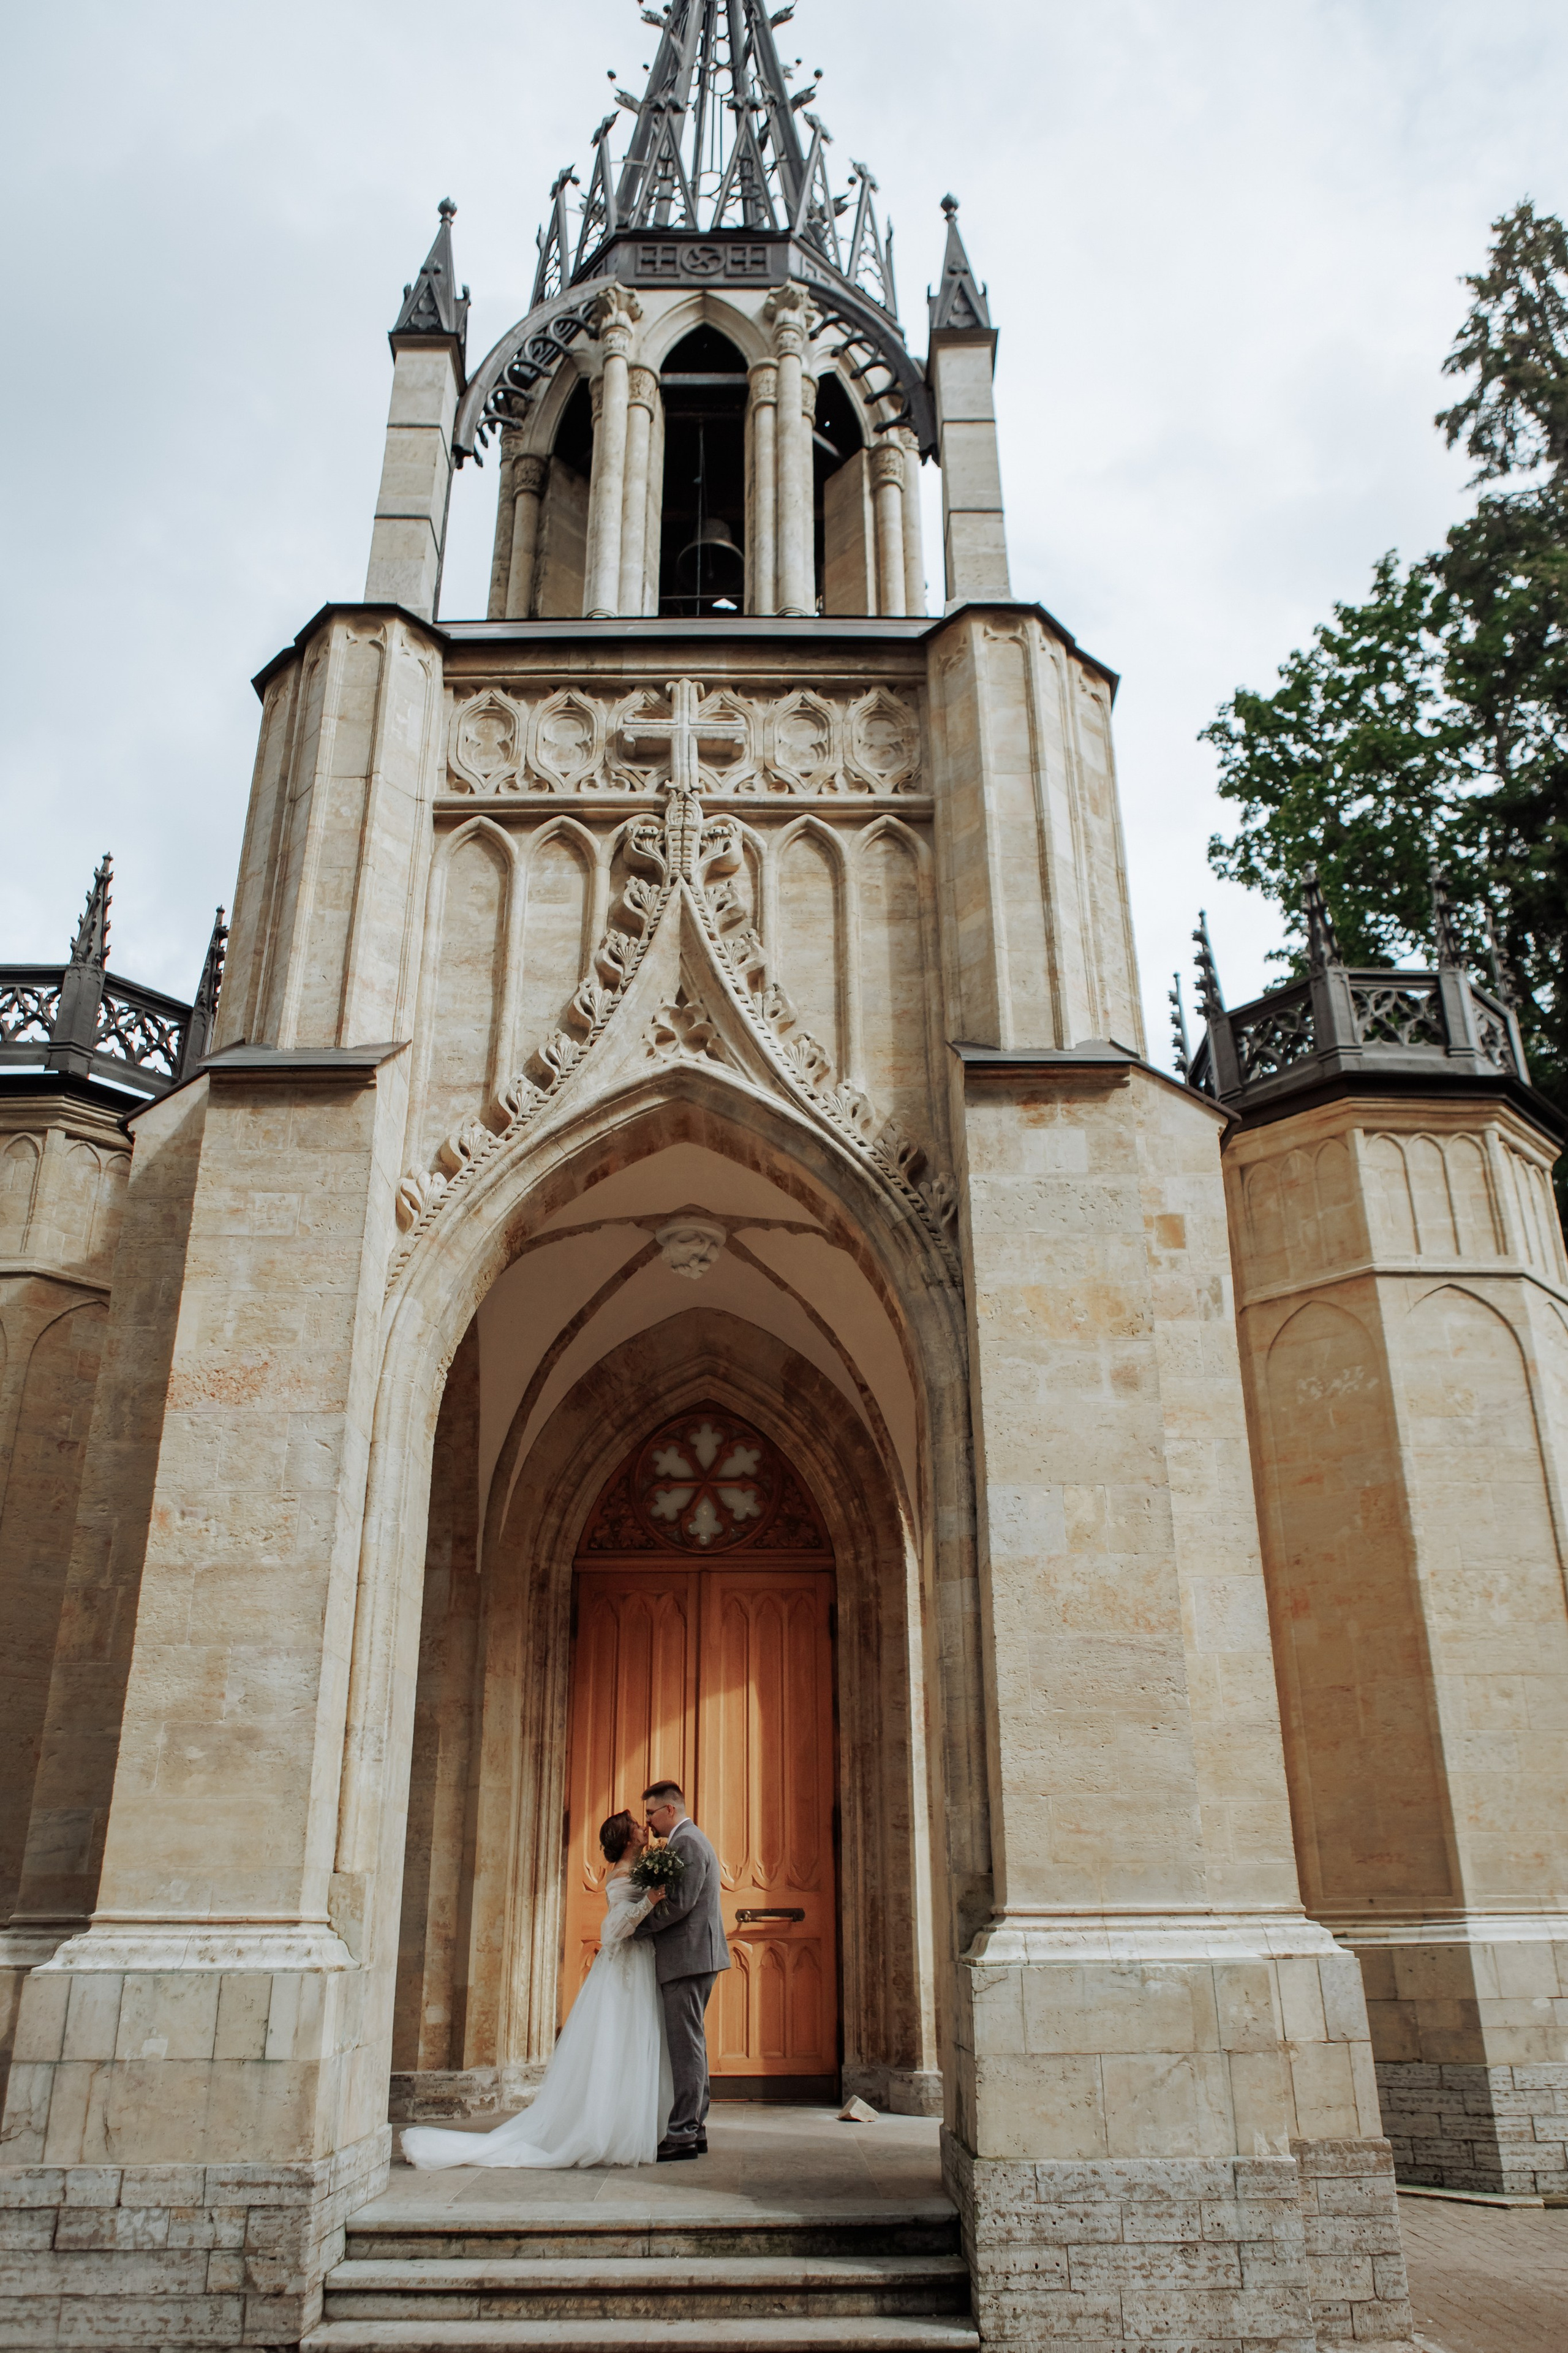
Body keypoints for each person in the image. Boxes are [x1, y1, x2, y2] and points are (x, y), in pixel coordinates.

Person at [399, 1810, 671, 2170]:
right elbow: (613, 1930)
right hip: (626, 1969)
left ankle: (632, 2125)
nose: (643, 1827)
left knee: (634, 2042)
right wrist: (649, 1901)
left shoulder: (640, 1869)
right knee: (619, 2043)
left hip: (641, 1964)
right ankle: (607, 2130)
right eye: (636, 1825)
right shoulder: (621, 1875)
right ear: (626, 1839)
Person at [632, 1780, 731, 2161]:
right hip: (693, 1957)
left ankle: (683, 2134)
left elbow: (678, 1903)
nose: (648, 1821)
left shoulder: (687, 1842)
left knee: (685, 2047)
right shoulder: (688, 1840)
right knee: (692, 2044)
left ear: (669, 1810)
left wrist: (635, 1926)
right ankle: (695, 2129)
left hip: (688, 1959)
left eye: (651, 1813)